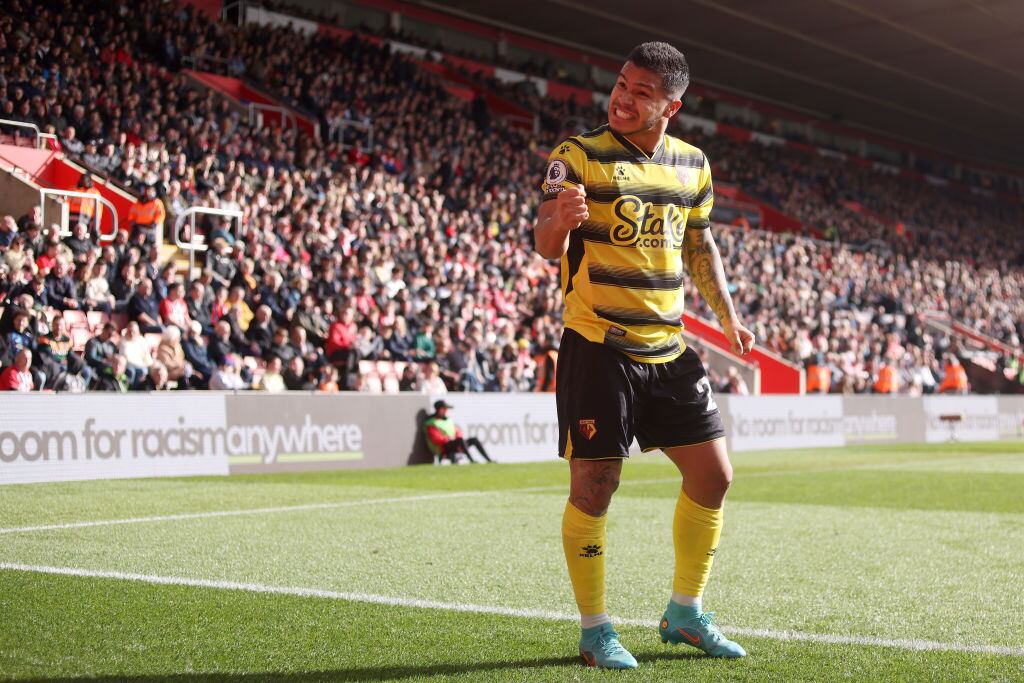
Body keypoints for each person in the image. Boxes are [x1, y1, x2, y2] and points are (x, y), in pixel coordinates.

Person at [532, 42, 755, 668]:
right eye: (621, 85)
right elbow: (546, 243)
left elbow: (700, 247)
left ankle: (684, 612)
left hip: (670, 346)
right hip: (599, 345)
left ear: (671, 106)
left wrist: (729, 317)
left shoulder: (693, 166)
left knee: (714, 476)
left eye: (641, 93)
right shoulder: (576, 156)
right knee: (596, 485)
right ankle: (595, 630)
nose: (623, 99)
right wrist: (561, 223)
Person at [422, 400, 494, 464]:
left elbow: (457, 431)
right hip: (444, 447)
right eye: (444, 409)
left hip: (455, 443)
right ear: (439, 409)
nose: (446, 411)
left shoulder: (448, 420)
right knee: (460, 441)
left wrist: (457, 440)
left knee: (473, 440)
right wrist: (449, 439)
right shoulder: (431, 423)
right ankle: (472, 461)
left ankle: (489, 460)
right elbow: (435, 439)